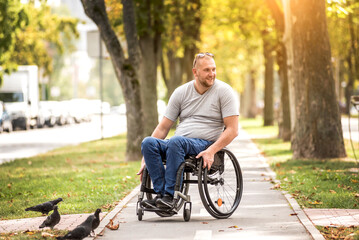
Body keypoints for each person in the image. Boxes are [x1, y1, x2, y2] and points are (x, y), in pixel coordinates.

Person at [137, 52, 239, 209]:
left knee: (176, 142)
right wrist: (145, 158)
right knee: (148, 142)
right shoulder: (181, 92)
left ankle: (170, 197)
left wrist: (211, 151)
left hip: (204, 144)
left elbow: (232, 130)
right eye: (206, 70)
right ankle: (162, 196)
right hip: (177, 143)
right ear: (195, 72)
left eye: (213, 69)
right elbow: (163, 127)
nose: (211, 74)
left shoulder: (224, 91)